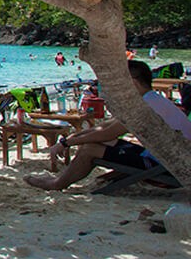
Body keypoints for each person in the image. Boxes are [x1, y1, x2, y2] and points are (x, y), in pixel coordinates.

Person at [25, 60, 191, 191]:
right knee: (95, 143)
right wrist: (71, 138)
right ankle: (63, 179)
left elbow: (109, 133)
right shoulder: (151, 99)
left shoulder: (146, 106)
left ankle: (57, 184)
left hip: (173, 168)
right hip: (167, 159)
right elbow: (105, 127)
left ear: (133, 83)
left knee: (90, 149)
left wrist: (66, 143)